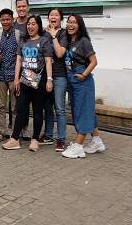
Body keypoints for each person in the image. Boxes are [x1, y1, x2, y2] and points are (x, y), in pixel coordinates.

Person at [54, 14, 105, 159]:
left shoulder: (83, 41)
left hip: (83, 80)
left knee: (82, 111)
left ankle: (78, 146)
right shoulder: (69, 41)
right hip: (72, 80)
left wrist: (83, 75)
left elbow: (94, 61)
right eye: (69, 22)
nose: (70, 25)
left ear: (79, 25)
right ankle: (96, 141)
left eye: (74, 22)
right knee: (86, 110)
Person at [3, 15, 53, 152]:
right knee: (20, 110)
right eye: (29, 24)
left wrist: (49, 80)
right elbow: (19, 60)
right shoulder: (23, 41)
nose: (30, 26)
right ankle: (14, 139)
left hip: (40, 81)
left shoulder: (44, 41)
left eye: (33, 24)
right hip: (24, 80)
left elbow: (48, 61)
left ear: (39, 26)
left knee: (37, 111)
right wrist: (16, 79)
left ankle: (35, 140)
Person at [0, 9, 21, 142]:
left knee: (14, 106)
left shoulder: (19, 35)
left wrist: (18, 77)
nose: (5, 22)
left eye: (8, 19)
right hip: (1, 76)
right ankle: (1, 132)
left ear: (12, 19)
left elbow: (22, 56)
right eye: (3, 20)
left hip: (14, 76)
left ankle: (14, 133)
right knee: (1, 105)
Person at [43, 8, 67, 150]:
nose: (53, 17)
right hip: (46, 76)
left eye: (56, 15)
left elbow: (59, 53)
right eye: (51, 15)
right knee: (48, 107)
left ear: (60, 18)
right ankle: (48, 135)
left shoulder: (63, 34)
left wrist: (53, 36)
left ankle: (61, 139)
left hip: (60, 76)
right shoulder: (43, 33)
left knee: (60, 108)